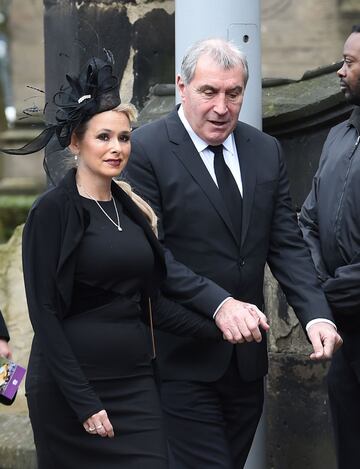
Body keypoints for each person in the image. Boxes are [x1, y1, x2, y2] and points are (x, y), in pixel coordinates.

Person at [125, 38, 343, 468]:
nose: (222, 107)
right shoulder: (145, 149)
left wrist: (317, 313)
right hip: (179, 359)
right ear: (182, 86)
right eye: (209, 92)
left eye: (233, 93)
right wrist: (219, 303)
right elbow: (152, 255)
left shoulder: (265, 149)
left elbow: (286, 243)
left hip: (246, 365)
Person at [1, 56, 221, 469]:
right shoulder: (51, 212)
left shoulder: (133, 209)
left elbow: (148, 303)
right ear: (75, 142)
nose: (117, 148)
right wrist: (83, 402)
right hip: (71, 393)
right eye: (104, 137)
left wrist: (219, 327)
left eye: (124, 137)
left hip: (135, 383)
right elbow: (43, 314)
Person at [299, 25, 360, 469]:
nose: (341, 71)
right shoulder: (339, 135)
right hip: (346, 333)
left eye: (351, 63)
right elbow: (308, 219)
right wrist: (321, 285)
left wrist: (331, 292)